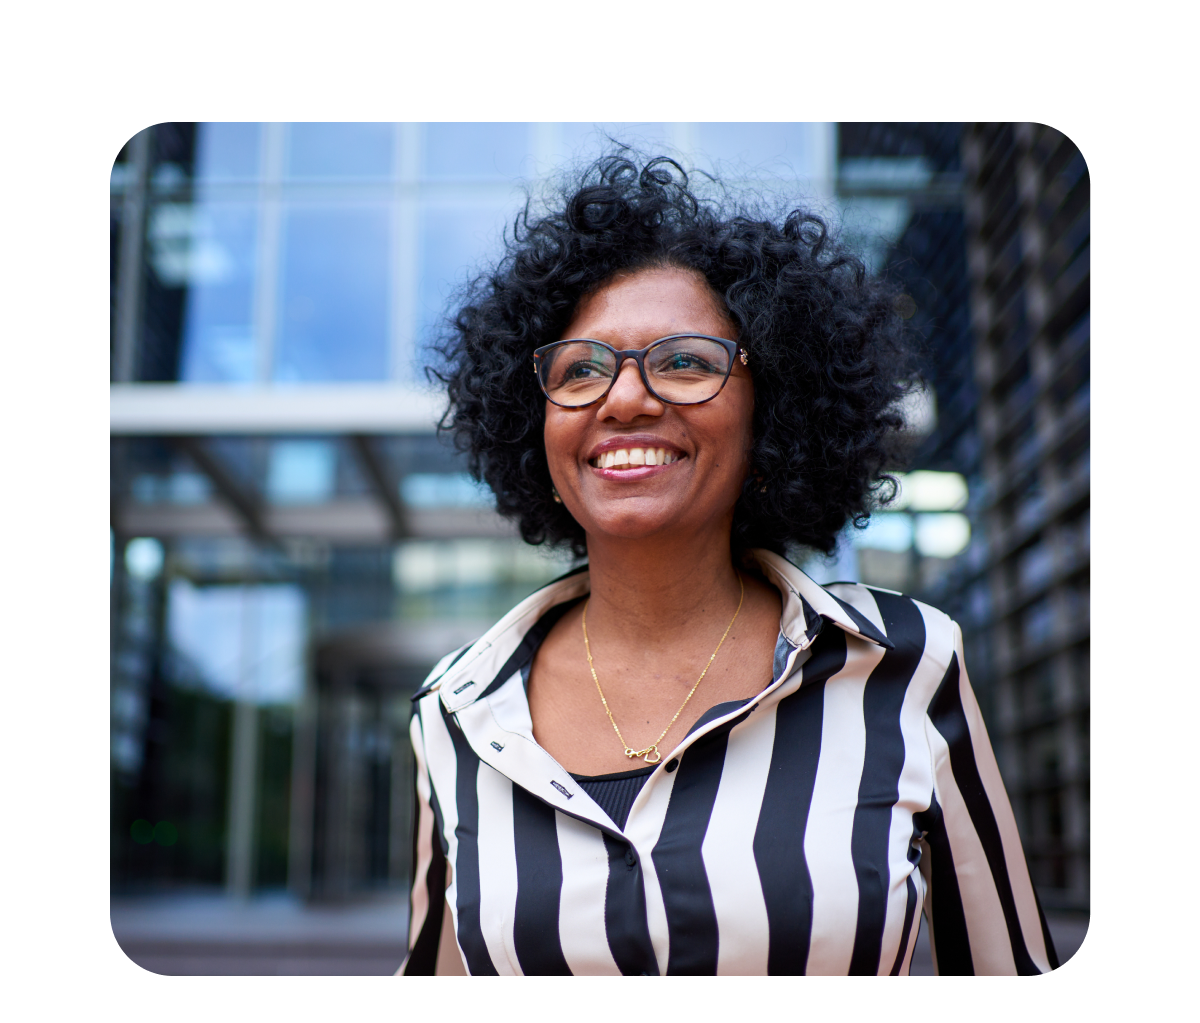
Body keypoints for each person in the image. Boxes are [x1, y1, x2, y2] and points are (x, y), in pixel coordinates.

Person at [397, 154, 1057, 976]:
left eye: (684, 361)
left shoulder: (906, 662)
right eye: (579, 370)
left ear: (770, 406)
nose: (624, 398)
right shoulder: (459, 710)